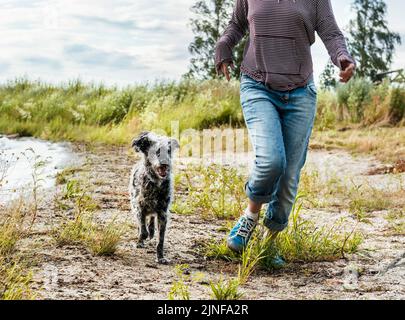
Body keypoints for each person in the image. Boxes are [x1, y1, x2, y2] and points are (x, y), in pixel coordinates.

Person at [215, 0, 355, 260]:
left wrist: (342, 57)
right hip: (257, 85)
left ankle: (270, 243)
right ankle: (250, 217)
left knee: (290, 172)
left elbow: (331, 32)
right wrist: (224, 45)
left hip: (301, 92)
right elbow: (236, 24)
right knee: (271, 159)